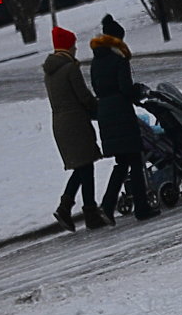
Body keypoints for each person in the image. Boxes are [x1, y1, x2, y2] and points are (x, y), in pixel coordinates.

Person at [90, 14, 158, 222]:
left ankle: (108, 206)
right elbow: (126, 89)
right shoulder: (119, 59)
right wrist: (139, 92)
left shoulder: (96, 60)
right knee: (135, 161)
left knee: (122, 163)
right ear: (117, 39)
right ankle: (142, 208)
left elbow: (98, 88)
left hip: (106, 113)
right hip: (121, 112)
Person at [43, 25, 109, 231]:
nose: (75, 49)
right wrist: (100, 110)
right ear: (67, 46)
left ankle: (65, 207)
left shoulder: (50, 72)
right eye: (73, 46)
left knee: (82, 166)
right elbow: (83, 97)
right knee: (86, 166)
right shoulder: (70, 68)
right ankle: (90, 213)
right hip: (76, 123)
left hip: (61, 124)